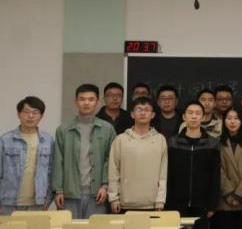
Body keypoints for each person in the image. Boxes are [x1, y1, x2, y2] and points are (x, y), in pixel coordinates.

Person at [167, 101, 221, 229]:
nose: (193, 116)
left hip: (202, 203)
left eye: (197, 113)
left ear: (203, 117)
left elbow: (215, 176)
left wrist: (212, 203)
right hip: (176, 203)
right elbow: (167, 174)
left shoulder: (212, 143)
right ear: (184, 117)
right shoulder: (172, 142)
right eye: (190, 113)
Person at [53, 84, 115, 219]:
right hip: (69, 194)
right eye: (82, 99)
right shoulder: (63, 129)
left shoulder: (107, 129)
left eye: (91, 99)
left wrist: (105, 186)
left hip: (97, 193)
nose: (86, 103)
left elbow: (110, 160)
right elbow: (58, 161)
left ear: (98, 102)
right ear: (75, 102)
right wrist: (58, 190)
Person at [108, 97, 167, 213]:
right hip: (125, 203)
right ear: (132, 114)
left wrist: (160, 200)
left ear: (153, 115)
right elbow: (113, 170)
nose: (143, 113)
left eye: (147, 110)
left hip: (152, 204)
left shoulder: (160, 140)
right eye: (139, 109)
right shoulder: (121, 139)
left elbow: (163, 173)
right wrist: (113, 198)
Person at [0, 96, 54, 214]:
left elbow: (51, 172)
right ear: (18, 114)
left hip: (37, 202)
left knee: (36, 228)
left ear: (41, 116)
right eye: (26, 112)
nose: (30, 116)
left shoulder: (48, 140)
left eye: (35, 112)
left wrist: (48, 198)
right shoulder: (5, 140)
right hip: (8, 201)